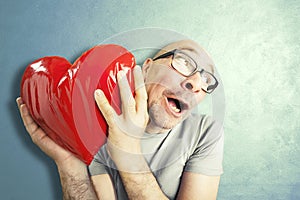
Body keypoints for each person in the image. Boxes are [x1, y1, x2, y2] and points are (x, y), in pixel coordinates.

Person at [16, 39, 224, 200]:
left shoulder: (204, 131)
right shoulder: (96, 121)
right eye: (184, 62)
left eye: (206, 80)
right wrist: (69, 164)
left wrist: (129, 154)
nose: (195, 83)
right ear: (147, 67)